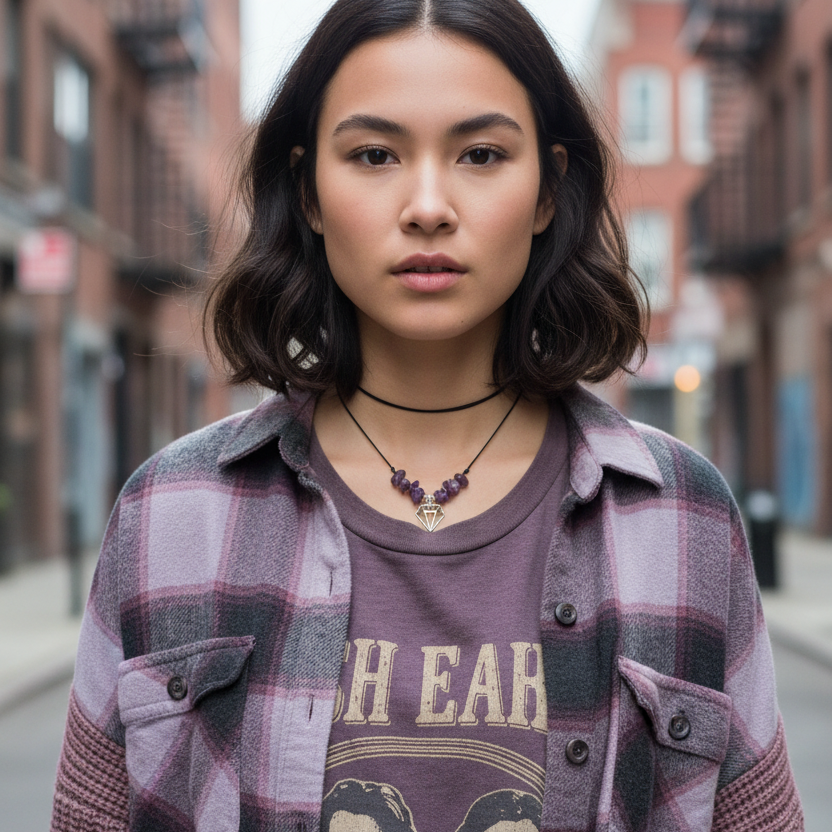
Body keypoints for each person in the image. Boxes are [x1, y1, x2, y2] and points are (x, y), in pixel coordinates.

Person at [51, 0, 804, 830]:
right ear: (306, 190)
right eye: (374, 154)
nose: (428, 204)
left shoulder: (682, 516)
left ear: (549, 189)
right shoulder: (169, 515)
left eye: (481, 154)